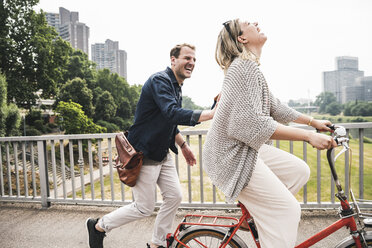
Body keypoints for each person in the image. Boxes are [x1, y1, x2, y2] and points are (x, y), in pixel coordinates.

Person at [202, 19, 338, 248]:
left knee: (299, 171)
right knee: (287, 211)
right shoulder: (242, 69)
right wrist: (308, 136)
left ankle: (258, 215)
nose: (256, 22)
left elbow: (274, 107)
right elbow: (251, 125)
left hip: (240, 149)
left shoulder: (249, 67)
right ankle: (270, 223)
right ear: (241, 38)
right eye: (248, 23)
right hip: (230, 157)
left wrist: (313, 122)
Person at [86, 43, 216, 248]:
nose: (191, 62)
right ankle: (99, 226)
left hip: (162, 153)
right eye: (187, 58)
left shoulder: (176, 86)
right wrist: (210, 113)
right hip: (143, 154)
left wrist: (183, 145)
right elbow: (172, 112)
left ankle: (157, 244)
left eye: (194, 60)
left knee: (174, 196)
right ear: (173, 60)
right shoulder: (160, 81)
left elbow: (168, 121)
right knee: (143, 208)